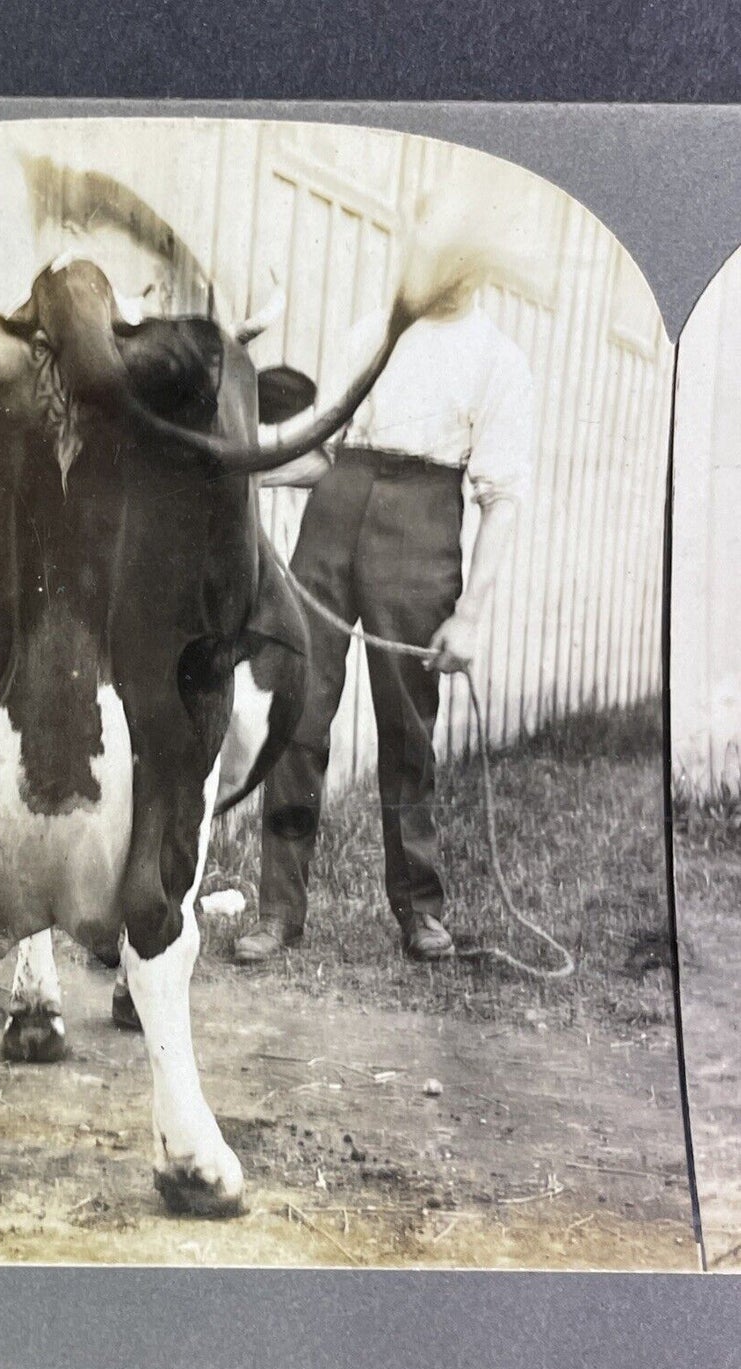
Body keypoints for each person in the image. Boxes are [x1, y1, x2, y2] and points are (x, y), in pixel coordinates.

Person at [235, 202, 536, 965]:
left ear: (466, 268)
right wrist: (239, 467)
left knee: (407, 731)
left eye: (432, 252)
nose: (414, 262)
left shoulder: (497, 360)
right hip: (336, 515)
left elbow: (500, 502)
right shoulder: (369, 333)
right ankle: (277, 912)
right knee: (296, 714)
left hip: (422, 527)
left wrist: (469, 616)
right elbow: (319, 451)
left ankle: (418, 910)